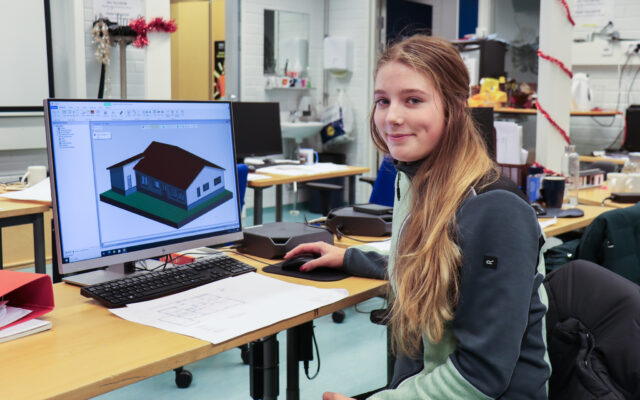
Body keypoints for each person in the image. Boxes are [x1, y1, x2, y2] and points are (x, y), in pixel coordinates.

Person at [285, 35, 550, 399]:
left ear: (455, 107)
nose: (392, 117)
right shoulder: (414, 178)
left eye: (413, 100)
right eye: (383, 101)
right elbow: (436, 263)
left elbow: (481, 377)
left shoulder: (496, 209)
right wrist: (349, 257)